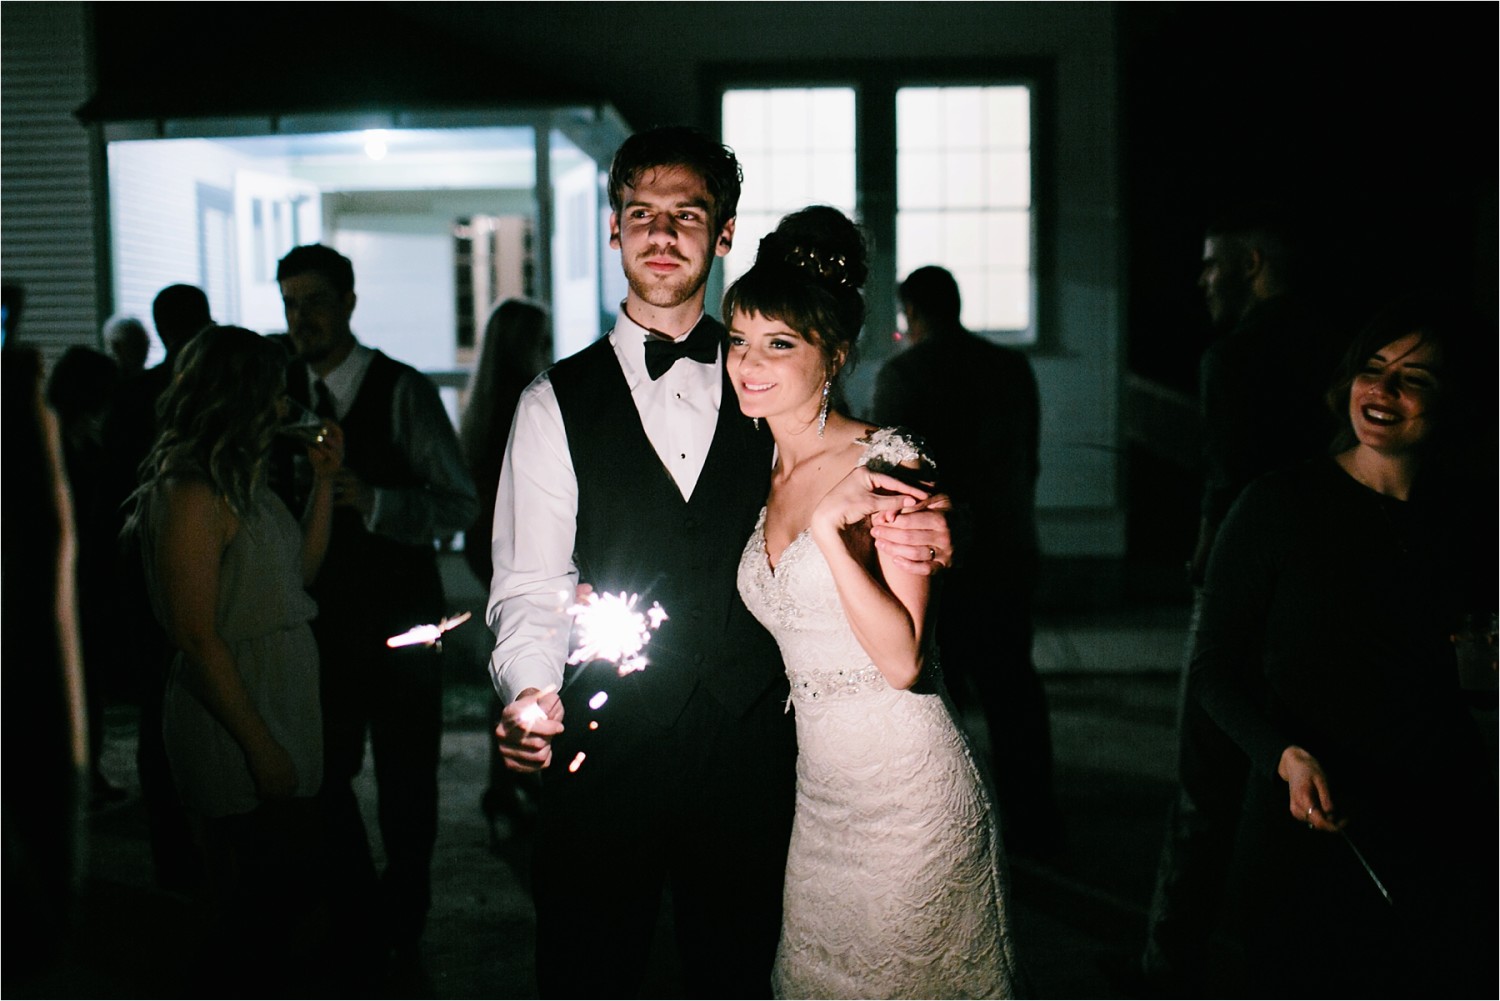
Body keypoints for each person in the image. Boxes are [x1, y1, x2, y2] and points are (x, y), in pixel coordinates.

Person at [487, 127, 954, 997]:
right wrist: (526, 690)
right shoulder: (552, 401)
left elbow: (854, 466)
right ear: (615, 230)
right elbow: (528, 583)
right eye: (641, 215)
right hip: (608, 742)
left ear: (725, 232)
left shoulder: (769, 378)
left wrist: (920, 510)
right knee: (588, 967)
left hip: (757, 752)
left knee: (740, 973)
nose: (662, 235)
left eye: (686, 215)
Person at [727, 208, 1021, 998]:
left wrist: (829, 529)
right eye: (739, 340)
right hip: (820, 804)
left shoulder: (889, 458)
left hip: (910, 797)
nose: (750, 364)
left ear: (835, 353)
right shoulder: (756, 471)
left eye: (779, 343)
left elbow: (901, 659)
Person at [1188, 298, 1496, 996]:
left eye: (1414, 377)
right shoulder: (1278, 505)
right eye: (1373, 367)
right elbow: (1214, 669)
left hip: (1440, 812)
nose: (1384, 390)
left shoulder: (1472, 519)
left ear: (1452, 400)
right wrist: (1282, 757)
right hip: (1310, 815)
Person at [1140, 203, 1345, 992]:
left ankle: (1169, 961)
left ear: (1253, 264)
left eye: (1213, 263)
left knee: (1204, 774)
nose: (1202, 280)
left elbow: (1227, 476)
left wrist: (1202, 549)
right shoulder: (1337, 349)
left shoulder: (1234, 355)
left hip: (1240, 583)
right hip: (1322, 593)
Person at [273, 243, 477, 976]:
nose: (303, 319)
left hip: (400, 620)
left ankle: (406, 915)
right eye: (291, 303)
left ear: (350, 302)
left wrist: (380, 500)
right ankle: (356, 908)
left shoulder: (402, 392)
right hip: (311, 623)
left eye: (316, 301)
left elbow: (459, 500)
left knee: (405, 777)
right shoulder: (278, 394)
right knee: (319, 773)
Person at [126, 325, 342, 986]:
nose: (283, 408)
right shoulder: (191, 489)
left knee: (278, 905)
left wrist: (323, 484)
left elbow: (298, 575)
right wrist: (261, 746)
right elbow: (195, 636)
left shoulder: (244, 479)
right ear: (241, 395)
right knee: (248, 914)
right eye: (273, 394)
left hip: (277, 694)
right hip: (234, 711)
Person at [873, 264, 1060, 858]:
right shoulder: (1010, 367)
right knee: (1013, 694)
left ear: (913, 314)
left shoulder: (904, 374)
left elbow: (894, 479)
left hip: (937, 559)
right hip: (1005, 550)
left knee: (934, 698)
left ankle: (946, 831)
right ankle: (1036, 828)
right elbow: (1025, 461)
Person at [458, 298, 551, 843]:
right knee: (528, 662)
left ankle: (503, 788)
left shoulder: (484, 403)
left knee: (512, 660)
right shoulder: (531, 401)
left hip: (486, 545)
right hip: (514, 544)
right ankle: (515, 783)